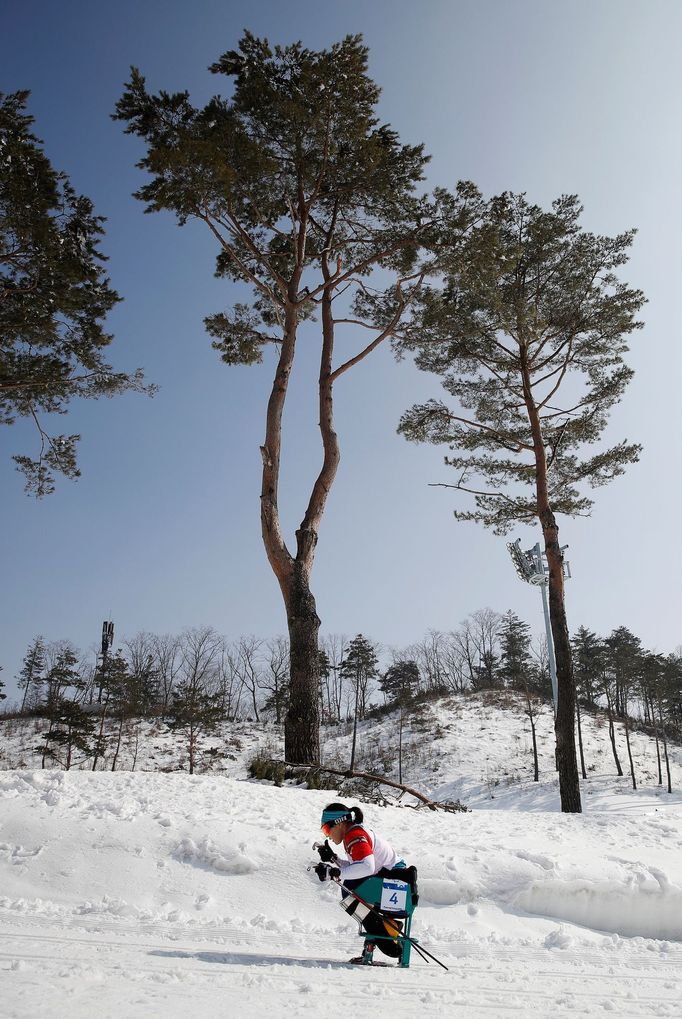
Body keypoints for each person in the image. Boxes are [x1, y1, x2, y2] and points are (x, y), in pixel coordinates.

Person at [313, 801, 415, 963]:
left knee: (349, 888)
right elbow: (358, 868)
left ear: (338, 824)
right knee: (350, 886)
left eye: (326, 829)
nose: (327, 836)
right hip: (397, 885)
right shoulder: (353, 834)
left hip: (399, 888)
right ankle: (387, 928)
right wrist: (334, 859)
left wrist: (334, 874)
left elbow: (367, 867)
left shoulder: (355, 836)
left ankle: (388, 935)